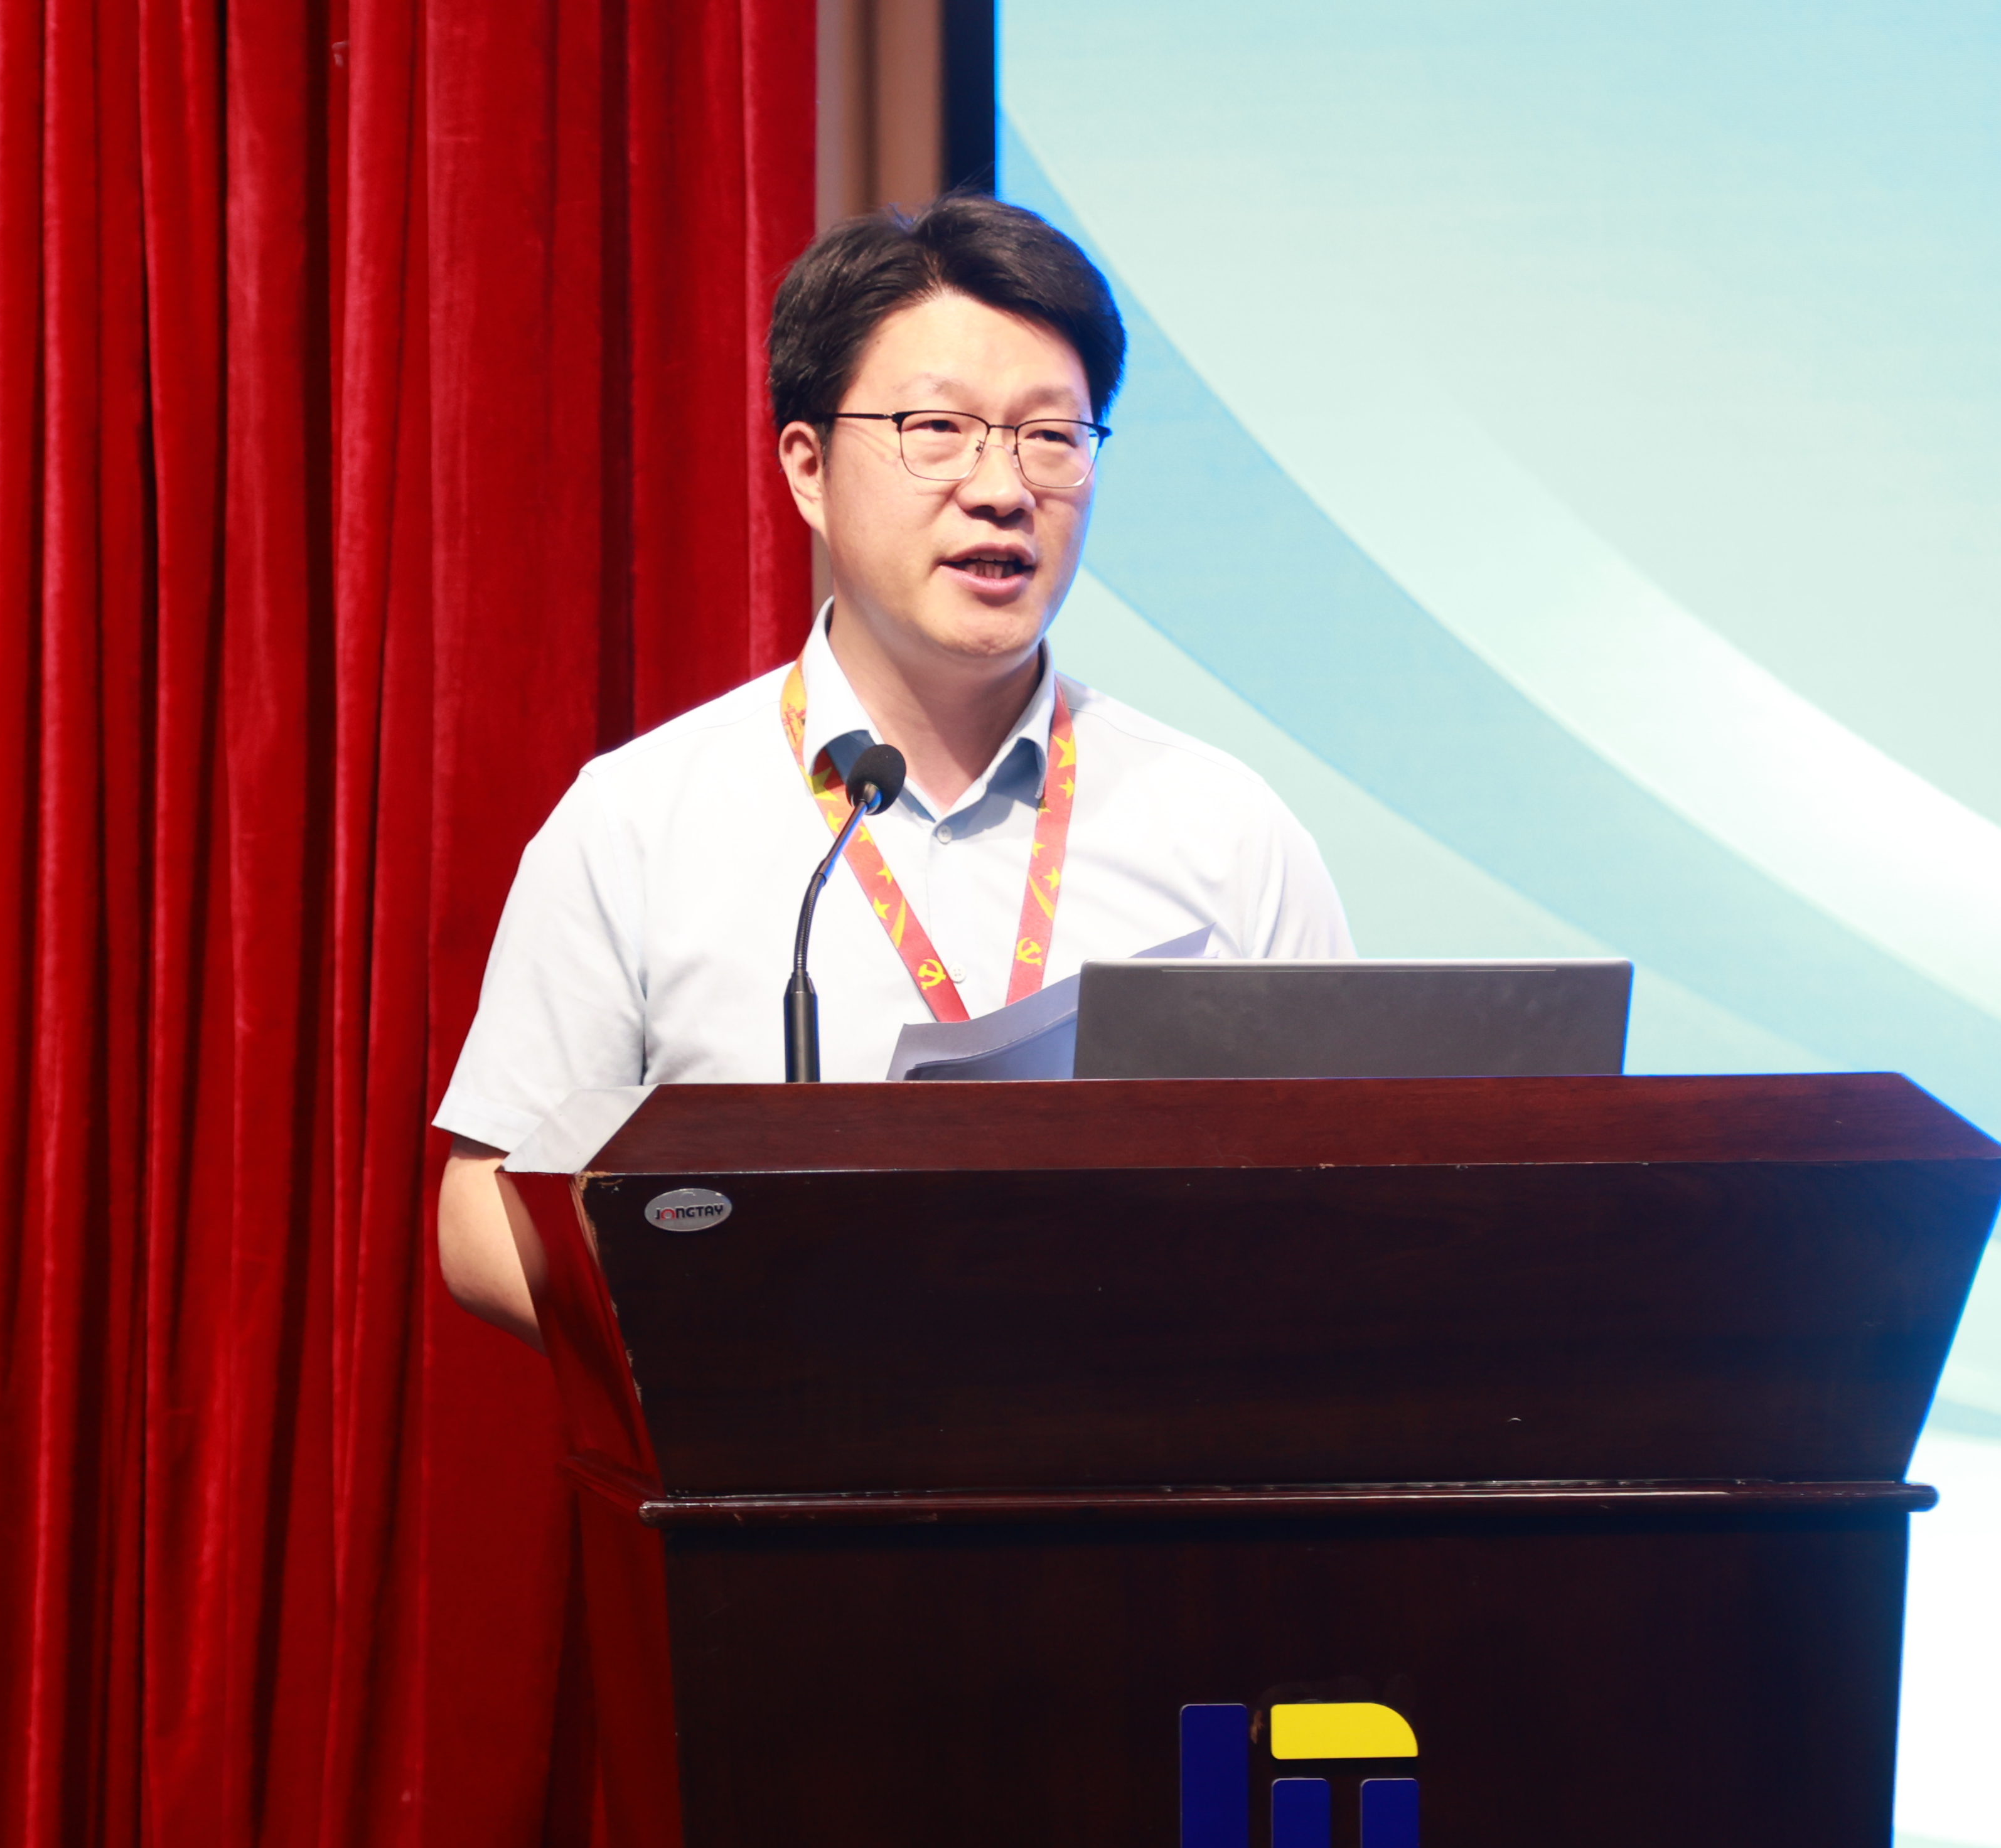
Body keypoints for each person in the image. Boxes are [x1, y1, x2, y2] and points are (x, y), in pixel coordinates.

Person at [435, 194, 1353, 1343]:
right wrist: (722, 1347)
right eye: (939, 428)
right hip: (778, 1447)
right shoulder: (639, 822)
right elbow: (484, 1206)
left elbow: (1352, 1181)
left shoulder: (1224, 828)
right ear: (809, 468)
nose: (1003, 487)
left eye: (1051, 436)